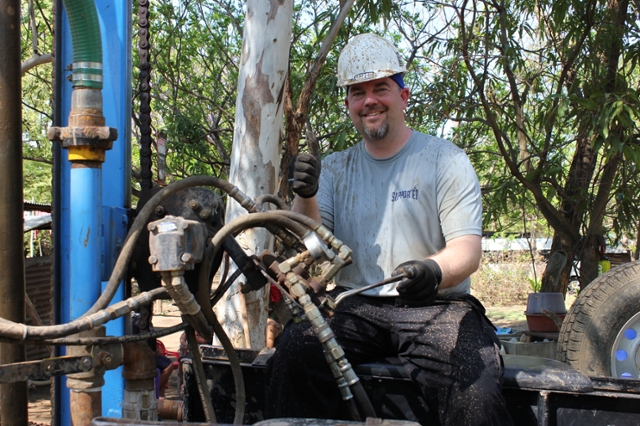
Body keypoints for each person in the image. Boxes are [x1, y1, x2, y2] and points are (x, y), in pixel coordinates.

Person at [265, 33, 513, 425]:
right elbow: (310, 245)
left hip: (437, 307)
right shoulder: (334, 168)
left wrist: (433, 271)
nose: (370, 101)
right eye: (358, 92)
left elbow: (467, 250)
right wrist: (305, 193)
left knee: (474, 386)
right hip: (354, 306)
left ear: (403, 96)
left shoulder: (445, 160)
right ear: (348, 104)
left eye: (381, 88)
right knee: (295, 354)